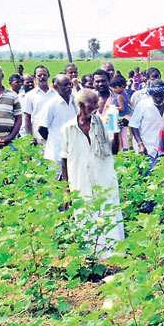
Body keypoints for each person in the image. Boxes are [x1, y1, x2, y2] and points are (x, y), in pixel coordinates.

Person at [60, 88, 124, 260]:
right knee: (85, 216)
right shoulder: (68, 128)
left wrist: (116, 131)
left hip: (103, 177)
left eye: (98, 102)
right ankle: (91, 256)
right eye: (93, 103)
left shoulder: (102, 123)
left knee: (108, 214)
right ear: (82, 106)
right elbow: (64, 159)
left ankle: (112, 256)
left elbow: (114, 150)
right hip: (80, 180)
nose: (98, 106)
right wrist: (66, 188)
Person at [129, 80, 164, 170]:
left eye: (161, 95)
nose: (158, 98)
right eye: (156, 96)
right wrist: (140, 144)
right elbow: (134, 126)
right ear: (151, 94)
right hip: (147, 147)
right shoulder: (143, 105)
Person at [37, 74, 77, 167]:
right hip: (56, 153)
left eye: (70, 84)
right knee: (57, 180)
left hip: (72, 151)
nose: (69, 87)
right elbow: (42, 128)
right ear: (55, 87)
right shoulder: (51, 104)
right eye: (65, 85)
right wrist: (55, 139)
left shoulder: (74, 101)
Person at [0, 64, 22, 161]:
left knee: (10, 171)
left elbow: (19, 118)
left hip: (8, 139)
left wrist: (10, 137)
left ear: (2, 76)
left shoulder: (12, 95)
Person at [24, 65, 57, 144]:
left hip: (54, 135)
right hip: (37, 137)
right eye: (39, 75)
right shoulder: (30, 95)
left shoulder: (56, 94)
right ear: (35, 77)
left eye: (44, 75)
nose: (42, 77)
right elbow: (27, 118)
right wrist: (30, 137)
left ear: (48, 76)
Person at [110, 75, 131, 151]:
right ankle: (126, 149)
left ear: (122, 87)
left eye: (116, 88)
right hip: (126, 117)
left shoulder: (119, 97)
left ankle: (123, 149)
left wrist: (111, 107)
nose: (114, 90)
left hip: (120, 117)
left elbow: (122, 108)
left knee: (121, 136)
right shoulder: (125, 94)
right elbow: (130, 104)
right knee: (125, 135)